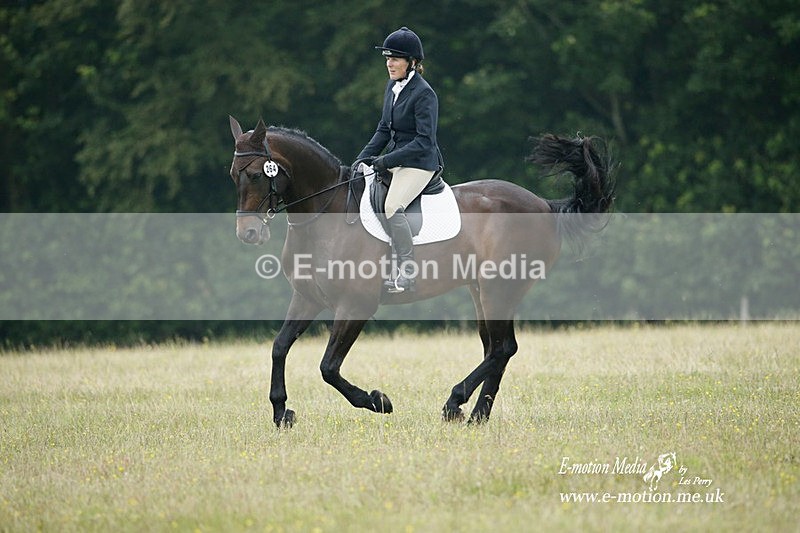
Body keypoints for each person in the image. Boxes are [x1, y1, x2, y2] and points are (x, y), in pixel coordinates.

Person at [356, 26, 444, 294]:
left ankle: (407, 272)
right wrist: (361, 159)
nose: (389, 63)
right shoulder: (392, 87)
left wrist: (384, 161)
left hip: (420, 163)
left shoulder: (424, 94)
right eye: (387, 58)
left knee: (392, 206)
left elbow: (424, 141)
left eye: (395, 58)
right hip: (397, 158)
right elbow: (384, 129)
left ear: (412, 63)